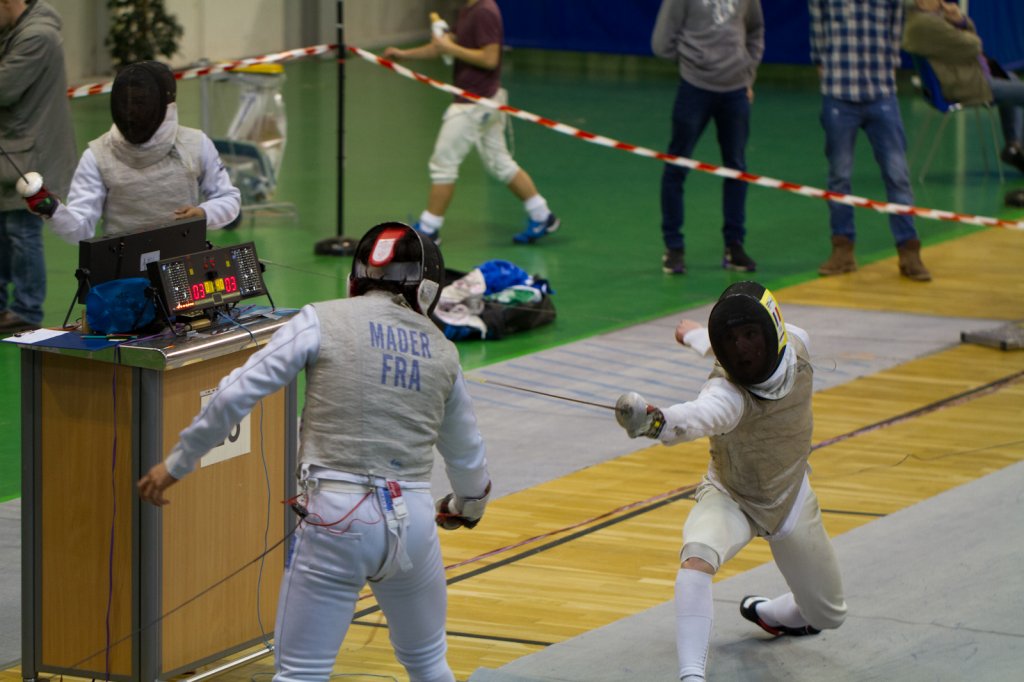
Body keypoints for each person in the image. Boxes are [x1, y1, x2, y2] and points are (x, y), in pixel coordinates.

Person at [137, 222, 491, 682]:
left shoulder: (320, 319)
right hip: (413, 524)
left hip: (336, 519)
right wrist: (467, 506)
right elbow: (467, 455)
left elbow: (233, 394)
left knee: (301, 673)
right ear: (427, 290)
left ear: (356, 277)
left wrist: (177, 463)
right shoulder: (443, 352)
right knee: (428, 664)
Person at [614, 281, 846, 682]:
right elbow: (694, 417)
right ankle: (691, 675)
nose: (741, 349)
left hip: (790, 497)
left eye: (750, 334)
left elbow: (729, 342)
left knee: (828, 615)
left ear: (774, 331)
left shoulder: (799, 344)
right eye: (730, 340)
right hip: (731, 497)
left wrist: (694, 336)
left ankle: (771, 614)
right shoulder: (727, 395)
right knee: (697, 559)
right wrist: (655, 422)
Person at [383, 0, 559, 246]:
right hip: (488, 101)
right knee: (500, 163)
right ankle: (542, 215)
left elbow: (489, 58)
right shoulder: (469, 9)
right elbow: (444, 47)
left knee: (443, 164)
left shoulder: (485, 12)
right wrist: (404, 55)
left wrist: (449, 47)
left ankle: (430, 229)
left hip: (474, 105)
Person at [35, 60, 240, 244]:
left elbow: (229, 199)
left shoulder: (194, 144)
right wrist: (53, 210)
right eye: (127, 102)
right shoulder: (98, 155)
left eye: (141, 103)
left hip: (181, 263)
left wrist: (204, 213)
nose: (133, 110)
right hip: (122, 268)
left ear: (166, 105)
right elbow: (79, 230)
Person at [809, 0, 932, 281]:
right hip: (838, 90)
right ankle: (842, 249)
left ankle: (909, 251)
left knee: (897, 175)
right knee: (839, 176)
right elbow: (818, 26)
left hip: (881, 92)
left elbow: (897, 23)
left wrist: (891, 64)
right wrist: (821, 66)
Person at [651, 0, 764, 275]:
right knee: (677, 165)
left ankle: (734, 245)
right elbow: (661, 43)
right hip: (694, 88)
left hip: (735, 91)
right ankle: (674, 247)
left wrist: (747, 74)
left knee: (736, 169)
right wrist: (694, 61)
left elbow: (755, 30)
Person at [0, 0, 76, 334]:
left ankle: (26, 308)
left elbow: (4, 88)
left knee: (21, 231)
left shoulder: (37, 36)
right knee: (7, 232)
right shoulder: (17, 31)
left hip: (29, 153)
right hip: (15, 147)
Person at [902, 0, 1024, 174]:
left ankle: (1013, 146)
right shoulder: (927, 25)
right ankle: (1015, 146)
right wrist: (961, 26)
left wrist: (960, 21)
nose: (941, 2)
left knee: (1011, 78)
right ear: (921, 2)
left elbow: (970, 40)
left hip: (968, 77)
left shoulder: (929, 20)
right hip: (966, 85)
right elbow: (974, 46)